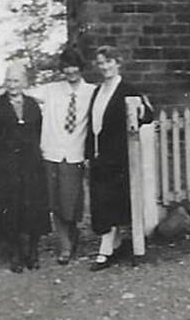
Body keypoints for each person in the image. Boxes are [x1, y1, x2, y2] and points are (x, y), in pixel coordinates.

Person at [24, 47, 95, 265]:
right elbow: (24, 93)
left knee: (71, 202)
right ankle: (64, 244)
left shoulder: (92, 91)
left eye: (74, 66)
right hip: (51, 152)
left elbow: (112, 102)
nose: (70, 71)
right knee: (54, 201)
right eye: (66, 67)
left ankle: (73, 235)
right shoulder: (52, 90)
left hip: (74, 154)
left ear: (80, 67)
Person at [0, 60, 49, 272]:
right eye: (8, 80)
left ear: (24, 82)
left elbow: (40, 132)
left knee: (34, 209)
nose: (12, 84)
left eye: (16, 80)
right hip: (6, 169)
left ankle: (33, 253)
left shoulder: (33, 105)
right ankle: (16, 254)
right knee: (11, 211)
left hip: (31, 166)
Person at [86, 45, 153, 271]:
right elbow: (93, 126)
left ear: (118, 63)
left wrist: (140, 109)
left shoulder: (127, 88)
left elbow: (147, 115)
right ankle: (112, 245)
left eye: (109, 61)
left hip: (119, 158)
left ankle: (112, 250)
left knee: (117, 203)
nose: (105, 66)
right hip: (99, 157)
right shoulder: (97, 91)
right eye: (101, 63)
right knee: (103, 204)